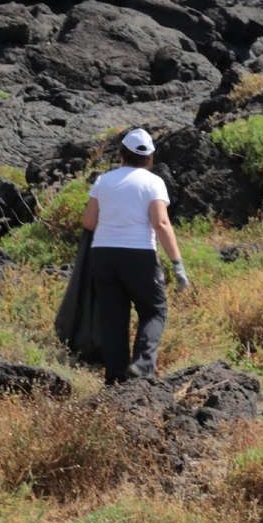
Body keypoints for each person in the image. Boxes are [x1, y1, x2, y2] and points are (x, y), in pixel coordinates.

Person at [80, 128, 189, 385]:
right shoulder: (153, 183)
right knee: (154, 310)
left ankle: (115, 377)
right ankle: (141, 367)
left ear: (121, 155)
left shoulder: (103, 181)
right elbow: (161, 224)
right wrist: (177, 264)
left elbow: (88, 221)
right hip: (139, 255)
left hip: (103, 255)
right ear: (150, 158)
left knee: (114, 316)